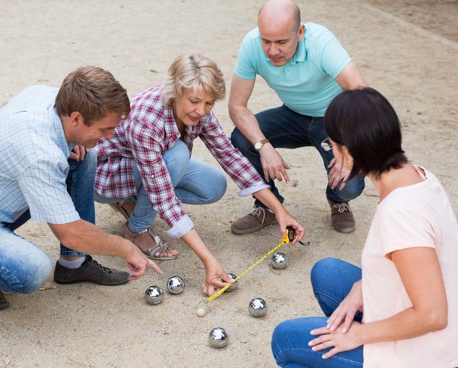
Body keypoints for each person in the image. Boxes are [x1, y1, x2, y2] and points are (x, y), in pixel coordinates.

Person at [0, 66, 162, 311]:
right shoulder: (40, 154)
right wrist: (127, 248)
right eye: (104, 129)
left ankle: (74, 263)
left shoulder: (50, 97)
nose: (111, 135)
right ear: (76, 118)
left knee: (84, 156)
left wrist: (69, 143)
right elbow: (71, 232)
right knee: (31, 271)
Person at [271, 87, 458, 367]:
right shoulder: (417, 175)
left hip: (424, 354)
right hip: (432, 325)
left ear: (348, 152)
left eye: (331, 145)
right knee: (327, 272)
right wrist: (363, 285)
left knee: (284, 340)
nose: (330, 151)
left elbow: (432, 315)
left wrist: (360, 334)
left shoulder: (400, 213)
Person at [94, 54, 305, 296]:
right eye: (194, 101)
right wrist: (208, 260)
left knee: (213, 186)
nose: (201, 111)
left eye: (209, 103)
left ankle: (133, 201)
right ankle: (138, 228)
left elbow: (229, 156)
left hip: (154, 165)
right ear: (175, 91)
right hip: (107, 175)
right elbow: (164, 197)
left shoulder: (199, 110)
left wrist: (280, 210)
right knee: (178, 155)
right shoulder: (146, 119)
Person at [229, 0, 367, 235]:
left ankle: (337, 199)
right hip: (292, 115)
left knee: (349, 185)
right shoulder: (251, 44)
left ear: (300, 32)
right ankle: (269, 206)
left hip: (333, 120)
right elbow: (237, 106)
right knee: (242, 138)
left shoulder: (320, 41)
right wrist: (263, 147)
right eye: (266, 41)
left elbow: (361, 94)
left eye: (282, 42)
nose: (272, 51)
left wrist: (348, 149)